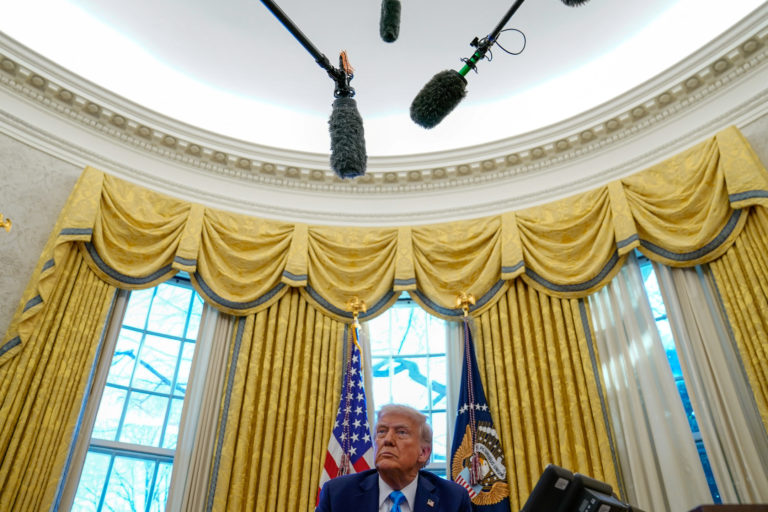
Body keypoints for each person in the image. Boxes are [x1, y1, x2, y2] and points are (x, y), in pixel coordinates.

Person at [316, 404, 472, 511]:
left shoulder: (453, 499)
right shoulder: (338, 494)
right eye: (382, 431)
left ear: (423, 453)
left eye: (401, 432)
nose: (388, 440)